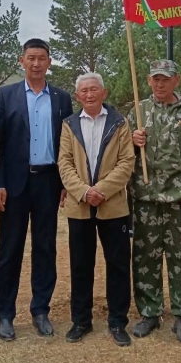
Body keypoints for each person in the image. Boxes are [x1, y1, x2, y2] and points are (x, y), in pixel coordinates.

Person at [0, 38, 73, 340]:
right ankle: (5, 314)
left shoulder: (62, 98)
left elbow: (68, 144)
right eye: (31, 58)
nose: (36, 63)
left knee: (45, 247)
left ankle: (41, 309)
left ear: (49, 62)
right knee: (9, 249)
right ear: (21, 61)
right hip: (14, 184)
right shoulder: (6, 95)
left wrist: (65, 182)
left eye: (41, 58)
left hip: (48, 182)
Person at [130, 59, 181, 344]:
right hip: (146, 200)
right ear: (149, 81)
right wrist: (131, 139)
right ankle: (149, 313)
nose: (160, 83)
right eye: (155, 79)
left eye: (166, 78)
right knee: (145, 259)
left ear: (177, 80)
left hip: (179, 200)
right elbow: (122, 156)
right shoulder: (138, 112)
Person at [57, 72, 134, 347]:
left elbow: (127, 162)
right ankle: (81, 321)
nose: (89, 95)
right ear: (77, 96)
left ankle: (117, 321)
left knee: (117, 265)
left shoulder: (119, 122)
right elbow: (64, 162)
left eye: (94, 90)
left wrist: (101, 189)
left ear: (104, 92)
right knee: (80, 265)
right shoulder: (69, 125)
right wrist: (83, 191)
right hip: (80, 208)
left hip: (112, 207)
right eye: (84, 91)